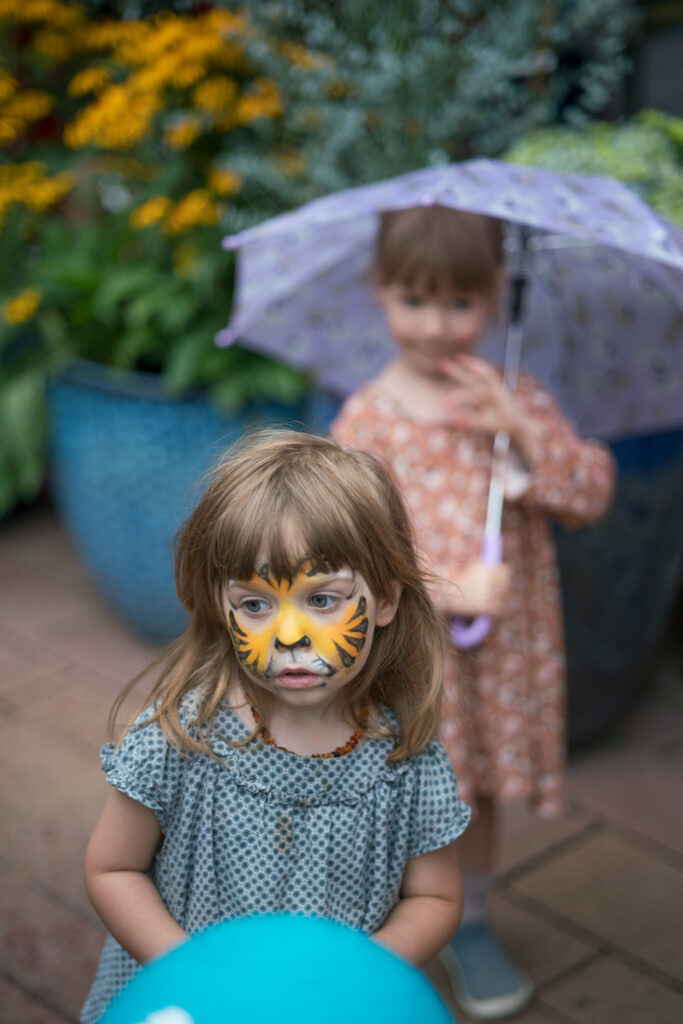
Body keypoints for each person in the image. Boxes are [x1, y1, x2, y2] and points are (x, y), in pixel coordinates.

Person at [80, 429, 471, 1024]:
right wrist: (197, 973)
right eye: (256, 604)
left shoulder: (405, 756)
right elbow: (113, 868)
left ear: (387, 599)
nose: (289, 635)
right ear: (220, 605)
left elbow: (435, 897)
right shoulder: (184, 734)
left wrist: (350, 979)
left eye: (323, 599)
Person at [331, 205, 616, 1021]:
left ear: (494, 295)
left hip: (497, 656)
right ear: (379, 292)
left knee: (471, 791)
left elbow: (588, 494)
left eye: (457, 302)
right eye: (413, 300)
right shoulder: (366, 420)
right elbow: (341, 544)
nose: (434, 324)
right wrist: (442, 587)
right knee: (390, 783)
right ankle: (382, 915)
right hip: (408, 649)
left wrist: (522, 432)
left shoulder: (512, 394)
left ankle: (471, 920)